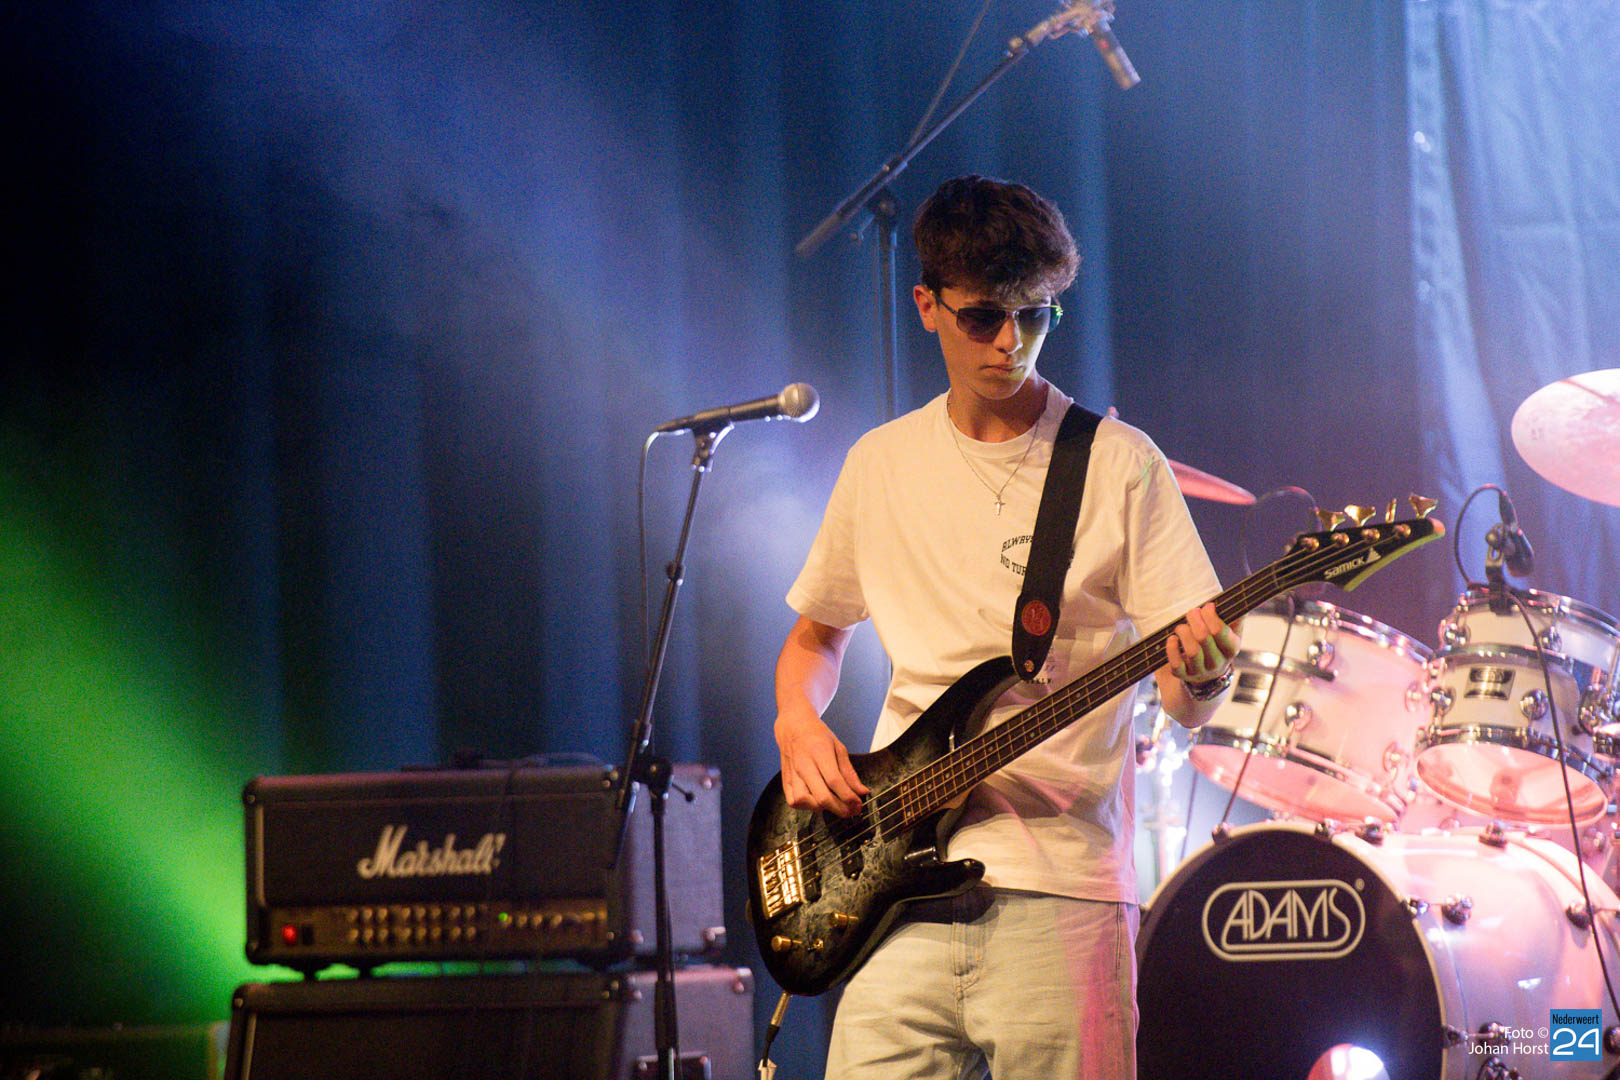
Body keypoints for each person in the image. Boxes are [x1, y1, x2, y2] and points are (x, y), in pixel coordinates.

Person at [773, 175, 1241, 1079]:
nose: (1010, 343)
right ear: (928, 306)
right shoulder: (880, 464)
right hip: (889, 893)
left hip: (1061, 893)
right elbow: (815, 639)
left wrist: (1204, 674)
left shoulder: (1118, 463)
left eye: (1035, 317)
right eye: (984, 316)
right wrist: (797, 722)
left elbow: (1190, 702)